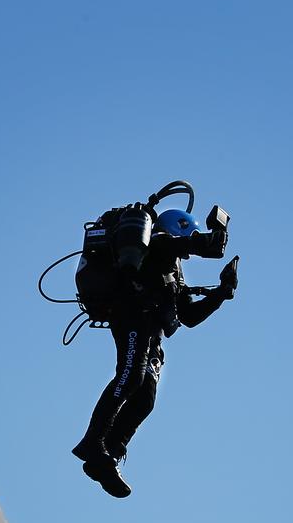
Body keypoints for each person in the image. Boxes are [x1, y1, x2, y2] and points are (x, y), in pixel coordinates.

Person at [71, 208, 239, 497]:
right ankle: (92, 442)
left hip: (152, 332)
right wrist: (208, 241)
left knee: (145, 398)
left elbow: (188, 316)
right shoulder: (158, 243)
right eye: (187, 236)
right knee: (130, 376)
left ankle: (106, 456)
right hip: (132, 316)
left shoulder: (174, 269)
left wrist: (220, 293)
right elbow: (181, 245)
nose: (186, 250)